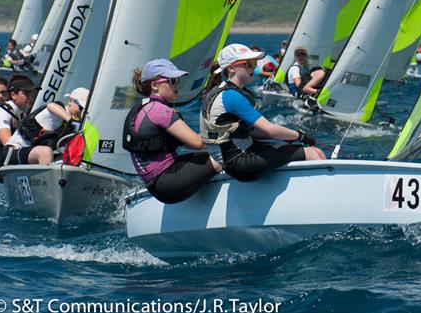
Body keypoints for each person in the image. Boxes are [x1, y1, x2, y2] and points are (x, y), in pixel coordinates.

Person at [201, 44, 325, 182]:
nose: (253, 68)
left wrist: (286, 136)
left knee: (294, 149)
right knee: (314, 153)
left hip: (237, 156)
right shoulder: (232, 96)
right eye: (248, 64)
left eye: (254, 64)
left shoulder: (221, 90)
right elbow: (270, 130)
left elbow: (251, 132)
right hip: (239, 162)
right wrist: (301, 136)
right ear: (231, 68)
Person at [123, 59, 222, 204]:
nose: (177, 85)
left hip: (155, 185)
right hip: (167, 183)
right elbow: (198, 143)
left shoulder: (144, 108)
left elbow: (186, 143)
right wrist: (229, 134)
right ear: (155, 85)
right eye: (173, 81)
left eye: (178, 80)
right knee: (222, 157)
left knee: (207, 155)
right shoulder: (160, 110)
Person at [4, 87, 88, 166]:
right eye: (81, 107)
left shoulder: (70, 127)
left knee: (66, 158)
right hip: (13, 152)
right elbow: (50, 105)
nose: (82, 111)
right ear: (70, 101)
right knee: (46, 152)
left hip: (31, 154)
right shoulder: (58, 111)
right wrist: (70, 120)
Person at [0, 75, 33, 181]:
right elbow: (9, 144)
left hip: (5, 156)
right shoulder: (1, 112)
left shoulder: (20, 113)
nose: (0, 96)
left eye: (3, 93)